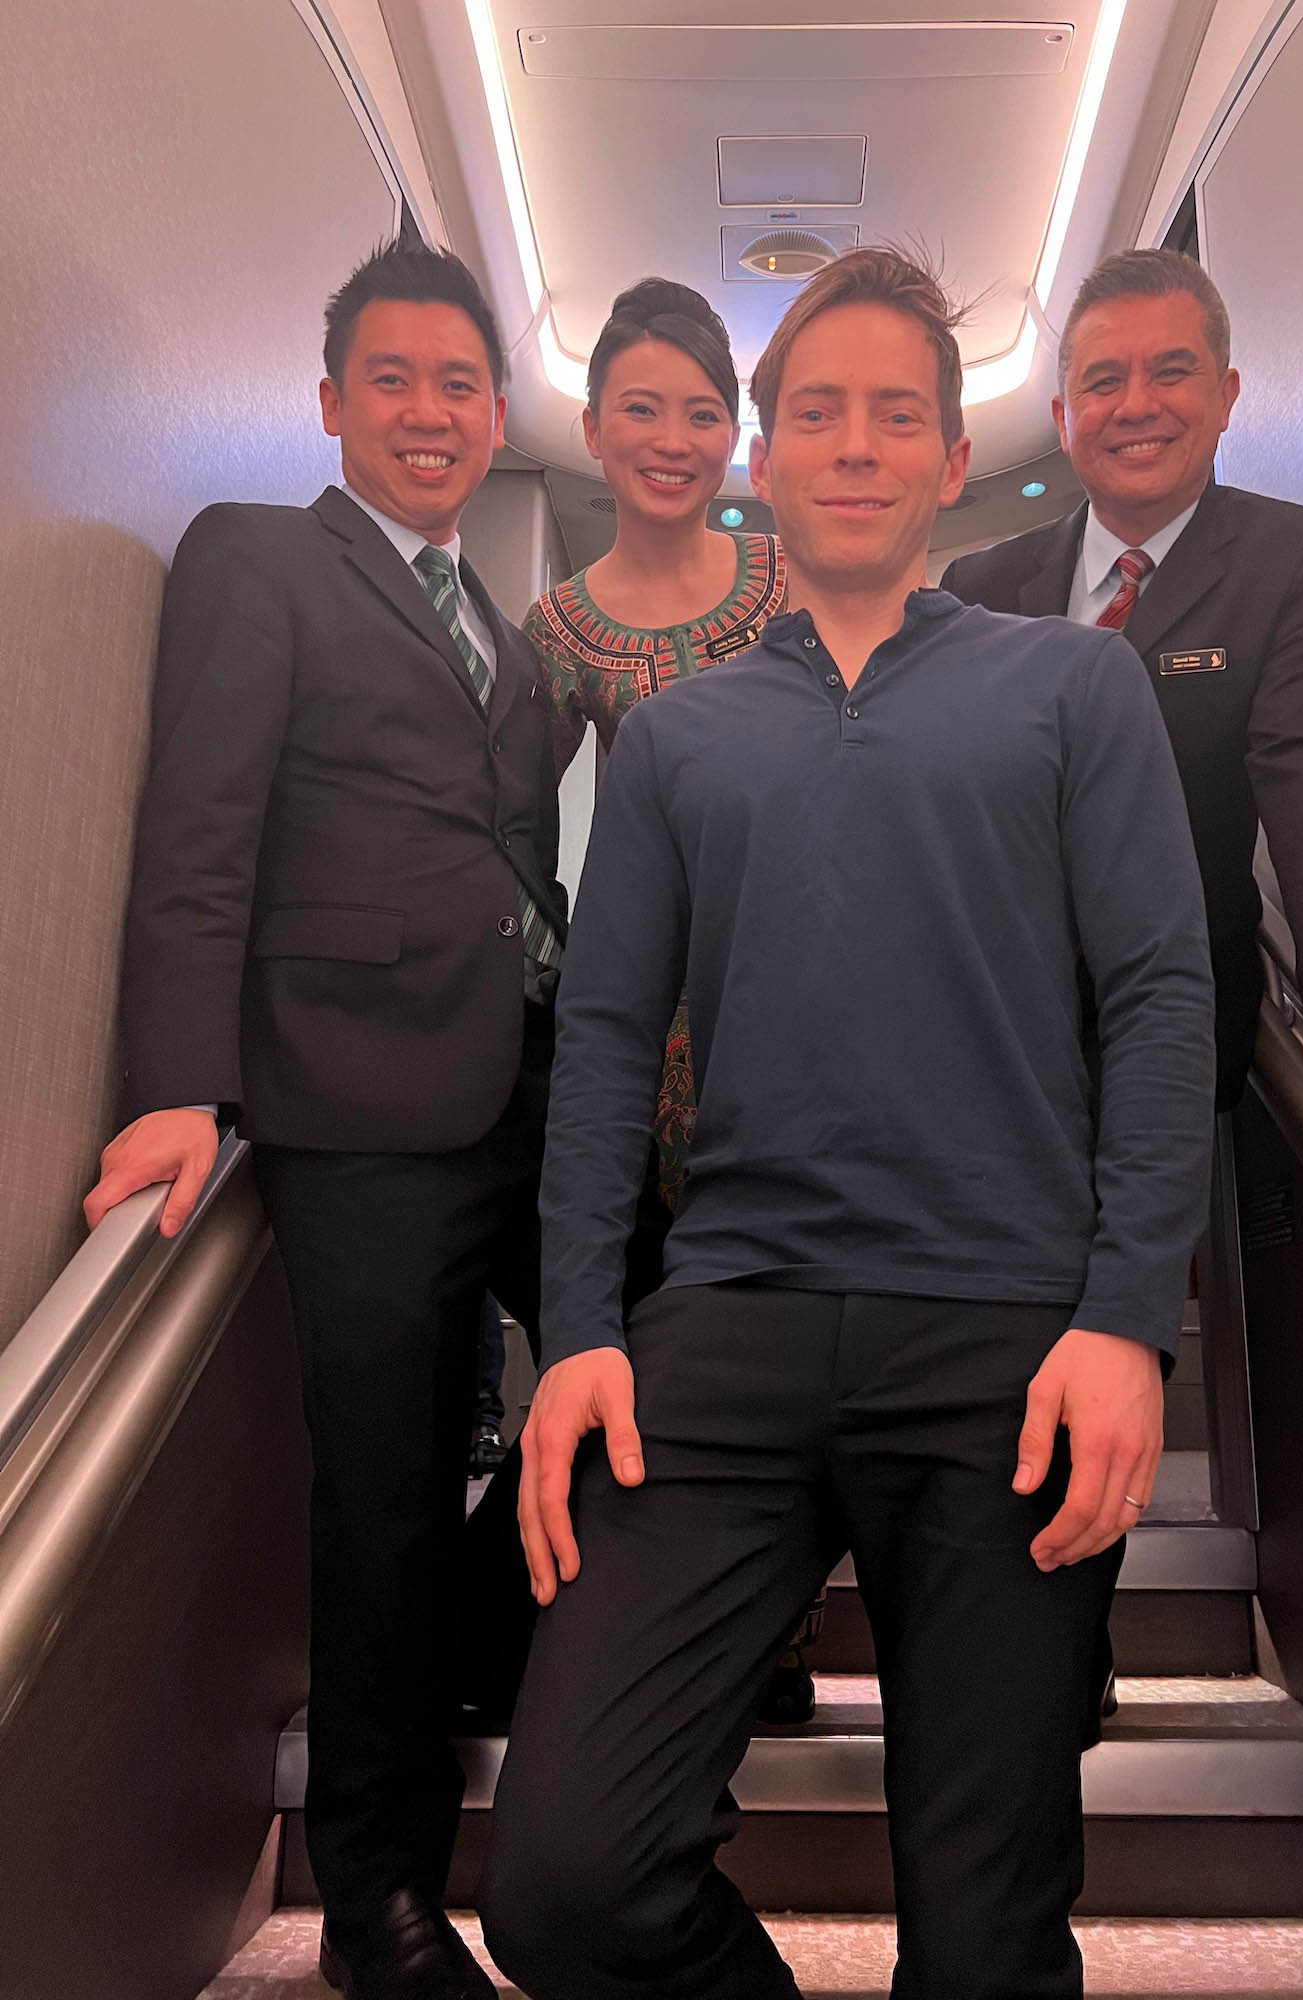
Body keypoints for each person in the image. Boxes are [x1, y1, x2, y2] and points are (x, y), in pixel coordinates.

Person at [479, 247, 1218, 1999]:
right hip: (726, 1330)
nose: (861, 444)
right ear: (766, 454)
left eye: (903, 413)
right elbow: (598, 1040)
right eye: (821, 411)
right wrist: (581, 1333)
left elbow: (1162, 1004)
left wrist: (1127, 1322)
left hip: (1006, 1340)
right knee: (565, 1886)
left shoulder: (1071, 690)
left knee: (982, 1941)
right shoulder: (679, 743)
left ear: (954, 462)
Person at [83, 243, 563, 2000]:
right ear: (332, 403)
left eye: (457, 384)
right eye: (394, 380)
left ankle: (500, 1641)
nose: (429, 412)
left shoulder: (501, 625)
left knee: (674, 1355)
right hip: (352, 1108)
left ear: (495, 414)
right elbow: (195, 837)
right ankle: (378, 1901)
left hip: (531, 1083)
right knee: (378, 1495)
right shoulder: (256, 558)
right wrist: (174, 1088)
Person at [943, 247, 1303, 1118]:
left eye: (1172, 372)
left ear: (1227, 395)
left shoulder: (1291, 558)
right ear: (1066, 416)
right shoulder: (980, 586)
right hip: (986, 1013)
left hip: (1171, 1021)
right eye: (1105, 382)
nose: (1136, 404)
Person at [524, 276, 820, 1721]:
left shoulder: (790, 582)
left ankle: (799, 1604)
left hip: (807, 993)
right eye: (641, 407)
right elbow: (515, 839)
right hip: (654, 1044)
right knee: (683, 1335)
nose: (672, 437)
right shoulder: (557, 630)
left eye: (702, 412)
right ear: (592, 429)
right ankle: (708, 1632)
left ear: (736, 437)